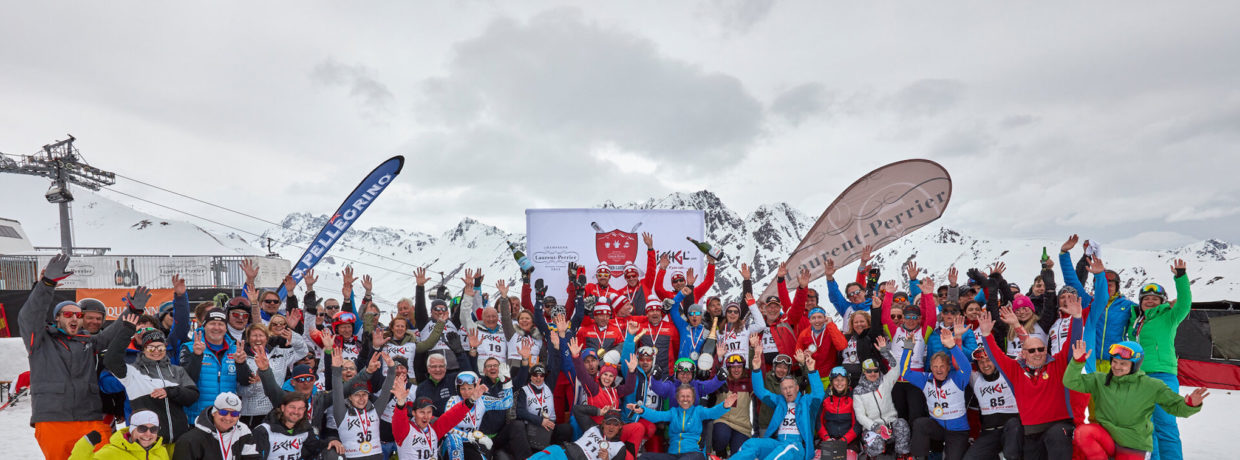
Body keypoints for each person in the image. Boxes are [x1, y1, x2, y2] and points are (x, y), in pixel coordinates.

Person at [20, 255, 134, 460]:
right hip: (54, 419)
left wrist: (132, 310)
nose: (74, 317)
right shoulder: (39, 341)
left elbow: (110, 335)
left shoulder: (88, 342)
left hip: (90, 418)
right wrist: (46, 285)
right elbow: (30, 315)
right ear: (57, 318)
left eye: (78, 315)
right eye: (68, 314)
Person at [1063, 340, 1208, 460]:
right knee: (1083, 432)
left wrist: (1190, 404)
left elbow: (1175, 406)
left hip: (1134, 444)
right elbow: (1071, 382)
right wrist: (1077, 362)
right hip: (1106, 438)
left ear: (1135, 366)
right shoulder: (1099, 380)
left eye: (1123, 364)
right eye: (1114, 361)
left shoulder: (1151, 385)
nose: (1117, 367)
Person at [978, 294, 1083, 460]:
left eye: (1041, 349)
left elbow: (1073, 342)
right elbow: (996, 356)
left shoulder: (1058, 363)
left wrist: (1077, 318)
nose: (1038, 353)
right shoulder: (1015, 371)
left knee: (1056, 438)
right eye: (1032, 351)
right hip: (1031, 432)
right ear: (1023, 354)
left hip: (1059, 425)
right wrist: (986, 335)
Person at [1125, 259, 1194, 460]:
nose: (1150, 301)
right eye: (1146, 298)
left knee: (1165, 424)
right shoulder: (1135, 322)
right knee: (1146, 427)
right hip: (1139, 379)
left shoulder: (1169, 317)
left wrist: (1180, 277)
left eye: (1156, 298)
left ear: (1163, 301)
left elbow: (1185, 302)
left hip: (1163, 375)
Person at [103, 315, 199, 444]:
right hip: (147, 439)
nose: (156, 351)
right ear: (143, 350)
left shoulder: (176, 370)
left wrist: (170, 392)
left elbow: (192, 395)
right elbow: (110, 361)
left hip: (178, 437)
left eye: (160, 347)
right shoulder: (133, 371)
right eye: (151, 348)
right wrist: (127, 330)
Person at [733, 350, 823, 460]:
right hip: (778, 442)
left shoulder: (807, 403)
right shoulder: (780, 401)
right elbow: (760, 391)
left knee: (783, 451)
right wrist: (756, 369)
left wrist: (812, 371)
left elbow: (818, 395)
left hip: (797, 446)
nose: (788, 391)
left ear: (797, 388)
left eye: (790, 387)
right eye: (784, 389)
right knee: (752, 443)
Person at [902, 329, 971, 460]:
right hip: (937, 427)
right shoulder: (926, 379)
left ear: (948, 367)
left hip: (957, 431)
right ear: (931, 367)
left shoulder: (957, 378)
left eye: (942, 366)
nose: (938, 370)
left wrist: (952, 346)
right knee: (920, 423)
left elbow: (966, 368)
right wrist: (908, 348)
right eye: (935, 366)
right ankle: (919, 457)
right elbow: (905, 372)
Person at [628, 385, 738, 460]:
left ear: (693, 398)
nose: (685, 399)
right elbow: (657, 416)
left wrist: (724, 406)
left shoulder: (698, 411)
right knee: (645, 458)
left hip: (694, 455)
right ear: (677, 399)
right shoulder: (673, 413)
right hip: (674, 455)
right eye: (682, 396)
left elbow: (712, 413)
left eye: (688, 396)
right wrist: (642, 410)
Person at [329, 344, 398, 460]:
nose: (361, 398)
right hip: (353, 457)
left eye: (364, 394)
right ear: (349, 397)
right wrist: (336, 369)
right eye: (357, 395)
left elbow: (386, 391)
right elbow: (337, 391)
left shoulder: (375, 411)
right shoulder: (342, 413)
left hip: (376, 456)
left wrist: (391, 369)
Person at [181, 307, 246, 420]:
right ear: (204, 326)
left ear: (226, 328)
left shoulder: (236, 350)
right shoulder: (189, 348)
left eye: (221, 324)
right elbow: (186, 380)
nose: (216, 328)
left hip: (226, 417)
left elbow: (245, 381)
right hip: (198, 417)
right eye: (212, 323)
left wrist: (241, 364)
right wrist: (197, 356)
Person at [853, 337, 911, 459]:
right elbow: (860, 416)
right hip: (873, 428)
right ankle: (872, 454)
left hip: (890, 424)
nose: (873, 374)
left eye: (875, 371)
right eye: (869, 371)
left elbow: (896, 367)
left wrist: (885, 351)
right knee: (877, 446)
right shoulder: (858, 391)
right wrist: (875, 427)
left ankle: (902, 454)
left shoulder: (886, 381)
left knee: (902, 424)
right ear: (864, 373)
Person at [390, 381, 478, 460]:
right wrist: (401, 403)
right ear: (413, 413)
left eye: (429, 412)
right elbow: (398, 420)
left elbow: (452, 416)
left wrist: (471, 400)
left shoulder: (434, 429)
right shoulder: (404, 431)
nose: (425, 416)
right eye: (422, 412)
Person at [962, 347, 1022, 460]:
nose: (985, 365)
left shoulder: (1008, 373)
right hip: (989, 432)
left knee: (1014, 426)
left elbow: (1023, 358)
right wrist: (957, 341)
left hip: (1011, 429)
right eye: (981, 362)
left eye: (988, 360)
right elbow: (960, 365)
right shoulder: (975, 379)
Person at [441, 370, 514, 460]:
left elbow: (506, 404)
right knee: (455, 439)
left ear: (476, 387)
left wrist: (507, 384)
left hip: (471, 443)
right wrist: (470, 436)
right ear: (458, 389)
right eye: (463, 389)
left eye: (470, 388)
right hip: (451, 444)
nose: (466, 392)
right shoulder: (453, 400)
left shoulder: (482, 400)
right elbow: (447, 427)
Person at [173, 392, 261, 460]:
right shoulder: (190, 440)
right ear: (214, 413)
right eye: (223, 412)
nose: (228, 418)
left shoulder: (243, 432)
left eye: (234, 414)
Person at [252, 392, 338, 460]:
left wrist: (332, 440)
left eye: (300, 408)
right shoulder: (264, 431)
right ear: (283, 408)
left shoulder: (303, 428)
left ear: (304, 410)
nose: (296, 412)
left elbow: (317, 446)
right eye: (292, 407)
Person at [528, 410, 629, 460]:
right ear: (603, 423)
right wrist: (599, 411)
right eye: (608, 423)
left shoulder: (620, 447)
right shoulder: (593, 427)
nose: (611, 427)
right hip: (564, 452)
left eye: (615, 424)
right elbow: (577, 409)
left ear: (620, 426)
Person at [69, 410, 171, 460]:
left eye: (154, 429)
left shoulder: (161, 451)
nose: (148, 434)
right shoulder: (112, 452)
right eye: (142, 428)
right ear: (132, 430)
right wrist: (85, 445)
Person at [712, 353, 756, 458]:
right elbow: (712, 378)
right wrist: (718, 358)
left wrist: (756, 355)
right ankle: (720, 454)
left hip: (742, 426)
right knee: (721, 437)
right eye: (733, 367)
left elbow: (760, 376)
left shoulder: (749, 383)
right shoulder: (722, 381)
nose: (736, 370)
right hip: (723, 420)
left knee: (738, 456)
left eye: (739, 367)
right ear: (728, 368)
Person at [817, 367, 860, 459]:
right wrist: (826, 438)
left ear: (847, 381)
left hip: (848, 441)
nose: (839, 383)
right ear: (831, 382)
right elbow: (819, 422)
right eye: (836, 380)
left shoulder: (853, 398)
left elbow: (856, 426)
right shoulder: (826, 398)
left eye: (842, 380)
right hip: (828, 439)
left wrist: (843, 441)